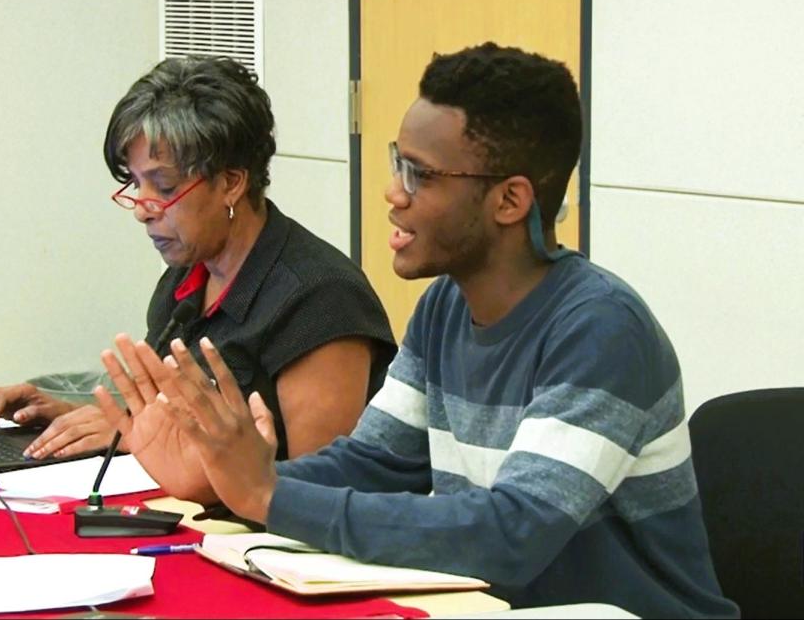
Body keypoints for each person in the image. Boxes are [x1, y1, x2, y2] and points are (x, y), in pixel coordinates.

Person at [97, 43, 739, 617]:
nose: (392, 194)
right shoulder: (443, 308)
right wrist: (226, 477)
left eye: (420, 176)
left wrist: (266, 494)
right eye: (397, 164)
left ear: (510, 201)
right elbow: (375, 461)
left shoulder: (601, 329)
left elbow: (510, 534)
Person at [0, 55, 397, 504]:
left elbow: (316, 496)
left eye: (165, 188)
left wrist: (141, 443)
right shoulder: (185, 278)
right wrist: (84, 419)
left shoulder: (320, 299)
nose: (142, 208)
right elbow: (168, 423)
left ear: (231, 183)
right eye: (135, 184)